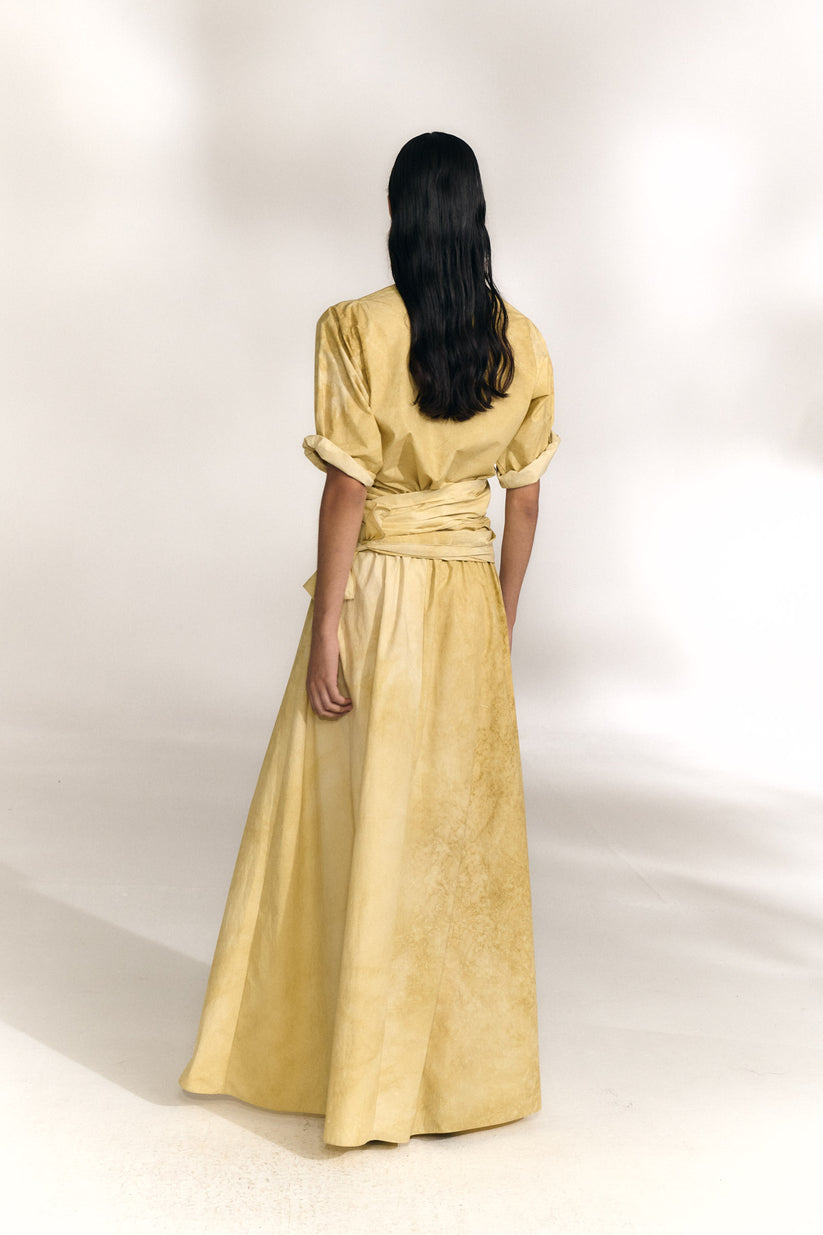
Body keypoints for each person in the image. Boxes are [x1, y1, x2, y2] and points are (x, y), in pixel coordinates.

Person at [178, 131, 561, 1148]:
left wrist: (327, 626)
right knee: (451, 836)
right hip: (465, 596)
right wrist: (499, 618)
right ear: (475, 218)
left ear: (400, 216)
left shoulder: (354, 326)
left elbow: (348, 487)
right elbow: (524, 502)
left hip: (381, 592)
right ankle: (452, 1081)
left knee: (350, 817)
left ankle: (342, 1061)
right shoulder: (524, 342)